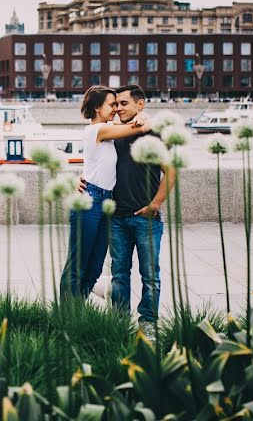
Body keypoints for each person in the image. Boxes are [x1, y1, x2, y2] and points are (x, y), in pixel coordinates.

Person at [59, 86, 151, 300]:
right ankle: (66, 315)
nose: (116, 109)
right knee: (78, 264)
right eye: (112, 105)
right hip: (90, 200)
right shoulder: (97, 130)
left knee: (96, 265)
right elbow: (138, 128)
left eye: (119, 104)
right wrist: (143, 116)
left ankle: (79, 311)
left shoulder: (109, 130)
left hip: (106, 201)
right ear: (98, 108)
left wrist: (142, 113)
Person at [109, 85, 176, 331]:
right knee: (119, 275)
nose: (118, 108)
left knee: (150, 276)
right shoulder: (114, 133)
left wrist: (155, 204)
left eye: (124, 103)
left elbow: (171, 172)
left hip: (146, 219)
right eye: (115, 104)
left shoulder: (154, 134)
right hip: (116, 218)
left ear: (140, 105)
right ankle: (118, 321)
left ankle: (148, 322)